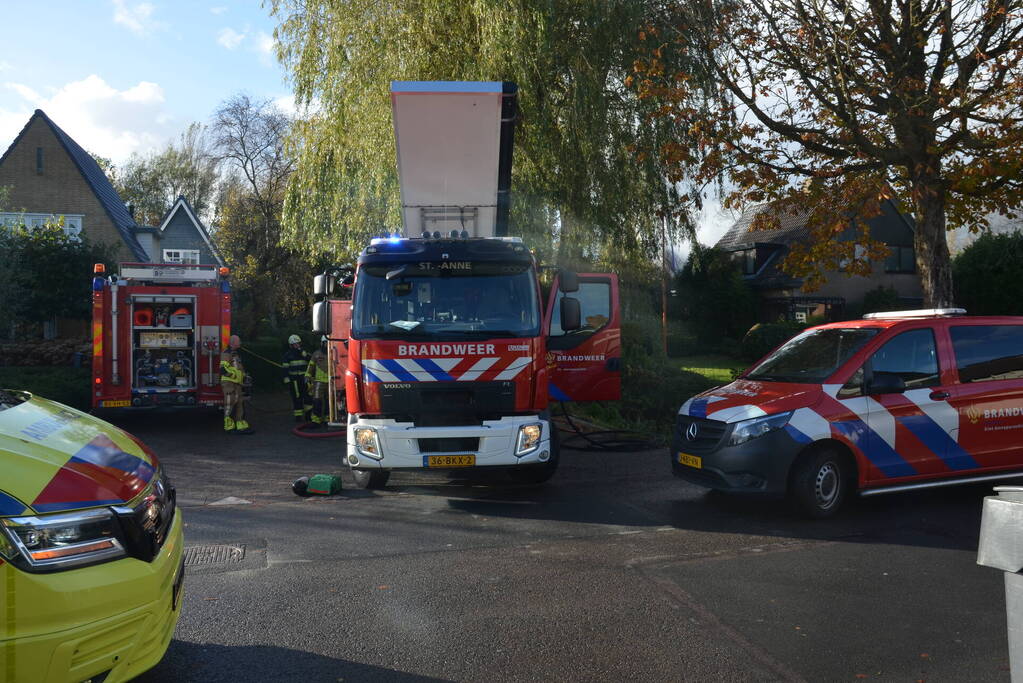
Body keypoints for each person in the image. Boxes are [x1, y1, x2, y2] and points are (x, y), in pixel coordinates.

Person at [220, 334, 253, 434]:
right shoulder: (226, 353)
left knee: (240, 403)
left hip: (237, 384)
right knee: (229, 404)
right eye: (239, 341)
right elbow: (223, 370)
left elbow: (238, 368)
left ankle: (240, 425)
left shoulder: (235, 354)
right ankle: (229, 427)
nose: (240, 343)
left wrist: (244, 377)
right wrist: (235, 377)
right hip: (229, 384)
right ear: (233, 342)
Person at [282, 334, 311, 422]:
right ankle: (298, 416)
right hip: (294, 380)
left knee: (308, 396)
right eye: (295, 344)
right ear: (291, 345)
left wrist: (305, 355)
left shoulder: (304, 353)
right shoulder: (287, 356)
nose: (297, 346)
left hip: (304, 379)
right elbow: (285, 368)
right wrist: (286, 378)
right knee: (297, 397)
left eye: (298, 344)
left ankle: (308, 415)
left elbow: (311, 362)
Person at [305, 336, 331, 427]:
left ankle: (328, 419)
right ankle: (316, 420)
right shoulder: (316, 354)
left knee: (330, 402)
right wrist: (307, 375)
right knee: (317, 401)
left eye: (327, 342)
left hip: (331, 382)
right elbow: (311, 365)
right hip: (319, 382)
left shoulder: (333, 352)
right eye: (324, 343)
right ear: (321, 343)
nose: (326, 344)